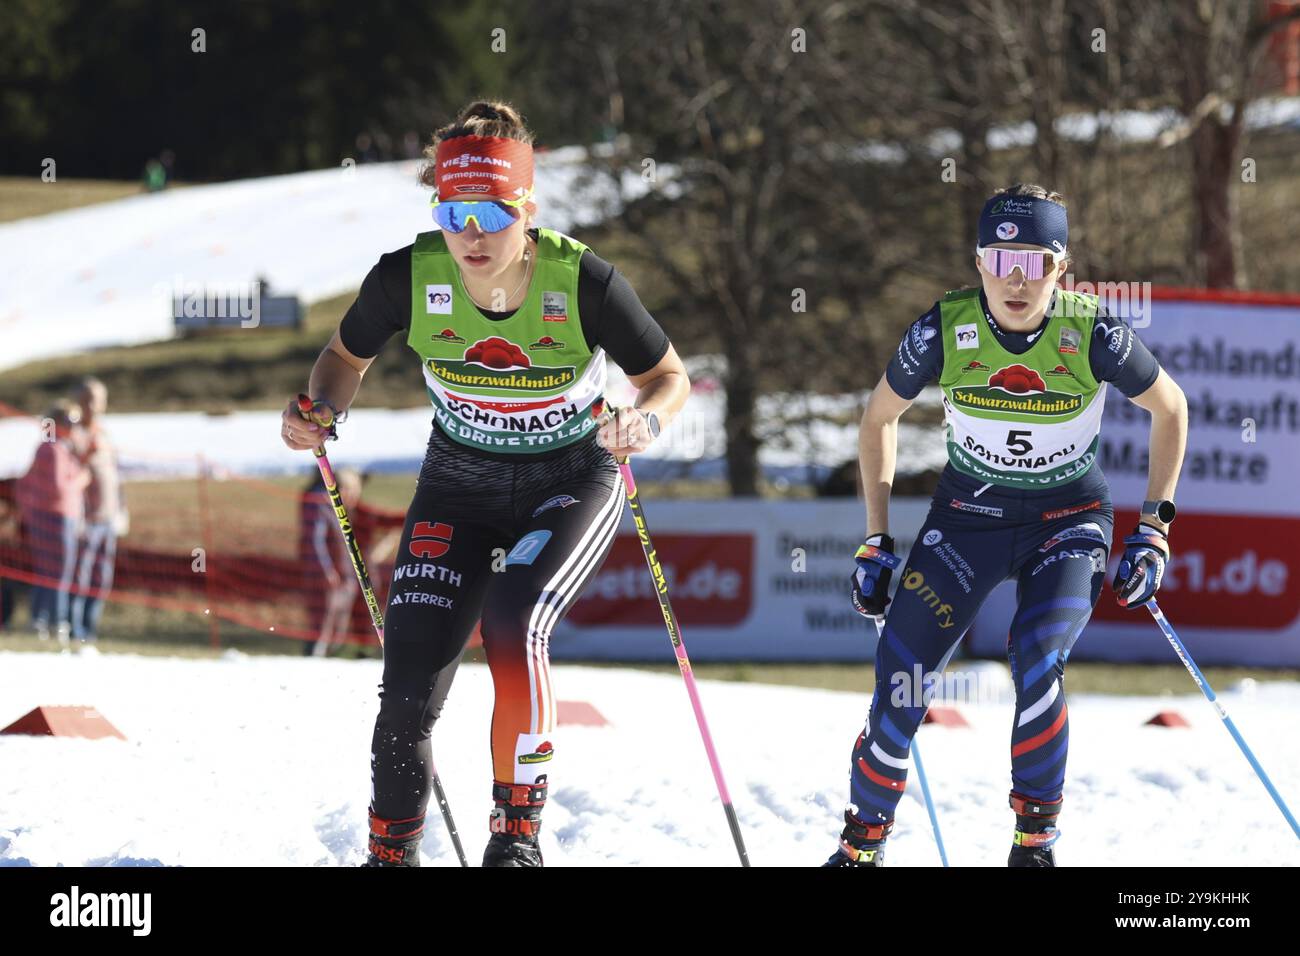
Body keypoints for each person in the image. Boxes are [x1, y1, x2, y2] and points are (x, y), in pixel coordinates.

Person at [280, 100, 690, 867]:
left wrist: (646, 422)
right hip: (458, 484)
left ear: (526, 208)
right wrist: (318, 410)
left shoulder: (583, 282)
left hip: (570, 478)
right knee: (406, 686)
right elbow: (342, 359)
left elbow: (668, 376)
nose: (470, 232)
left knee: (514, 618)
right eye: (453, 209)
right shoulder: (407, 275)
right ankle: (390, 852)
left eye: (491, 212)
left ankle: (517, 837)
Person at [827, 184, 1188, 867]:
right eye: (1000, 260)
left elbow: (1170, 409)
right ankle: (861, 843)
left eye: (1035, 263)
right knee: (901, 675)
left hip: (1068, 520)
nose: (1015, 280)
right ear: (979, 263)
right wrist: (875, 538)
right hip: (969, 519)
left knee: (1039, 659)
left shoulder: (1092, 331)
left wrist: (1155, 530)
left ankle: (1034, 846)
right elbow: (878, 419)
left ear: (1061, 267)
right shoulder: (945, 329)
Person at [15, 399, 90, 645]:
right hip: (54, 519)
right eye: (72, 422)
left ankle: (42, 621)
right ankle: (54, 623)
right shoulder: (52, 449)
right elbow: (59, 488)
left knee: (52, 572)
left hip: (56, 518)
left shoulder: (57, 449)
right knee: (57, 572)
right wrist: (82, 478)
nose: (76, 427)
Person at [70, 377, 124, 644]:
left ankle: (89, 632)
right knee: (79, 575)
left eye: (98, 400)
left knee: (102, 577)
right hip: (85, 519)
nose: (93, 405)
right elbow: (68, 475)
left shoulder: (106, 435)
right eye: (87, 399)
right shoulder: (73, 435)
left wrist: (121, 511)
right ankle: (72, 631)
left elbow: (115, 475)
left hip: (108, 518)